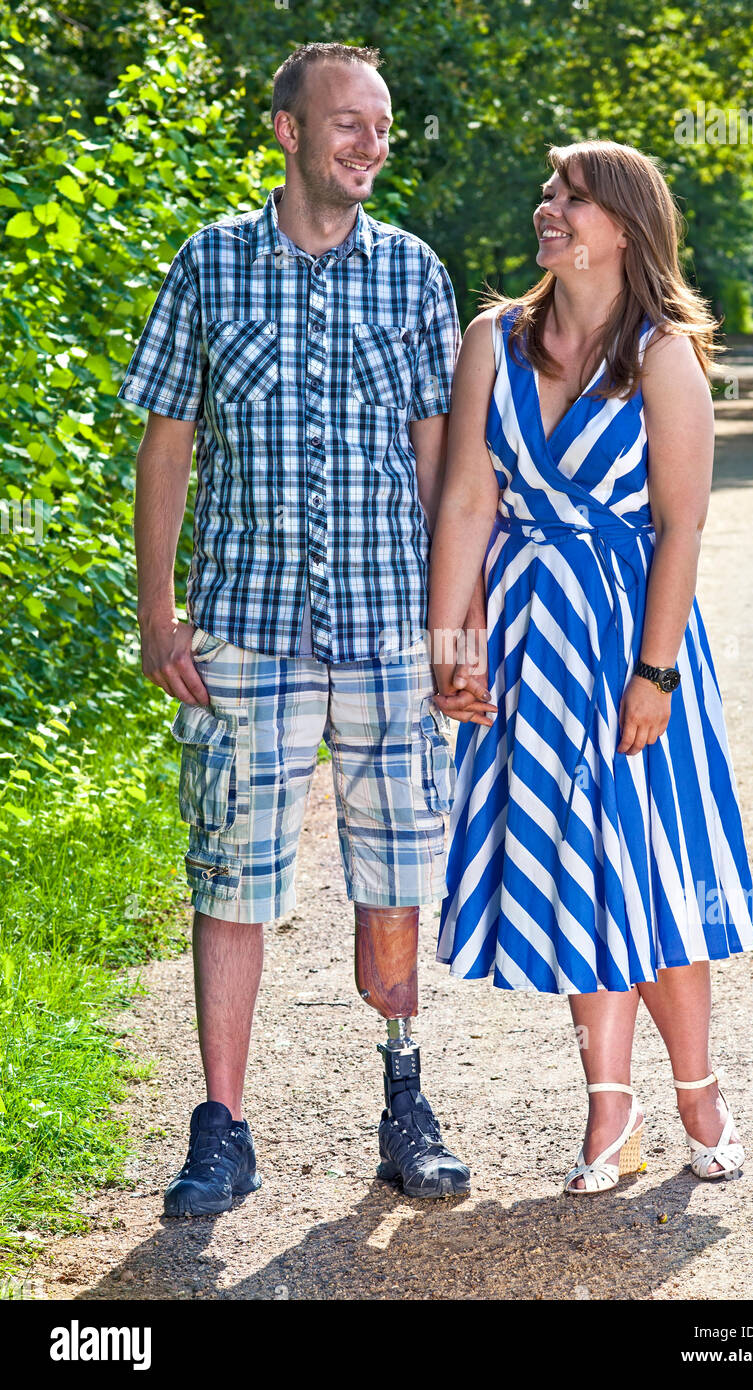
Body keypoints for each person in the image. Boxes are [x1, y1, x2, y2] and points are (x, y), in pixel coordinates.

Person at [117, 42, 493, 1214]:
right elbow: (166, 442)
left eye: (380, 127)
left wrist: (454, 627)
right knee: (230, 875)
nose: (369, 145)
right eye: (346, 124)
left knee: (392, 873)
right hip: (245, 627)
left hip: (387, 628)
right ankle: (221, 1128)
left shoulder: (414, 275)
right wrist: (157, 607)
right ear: (285, 130)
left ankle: (402, 1098)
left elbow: (447, 466)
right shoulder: (211, 265)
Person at [428, 140, 753, 1194]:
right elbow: (468, 501)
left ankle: (697, 1091)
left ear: (621, 226)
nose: (548, 209)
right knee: (580, 873)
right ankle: (604, 1113)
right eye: (546, 193)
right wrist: (451, 646)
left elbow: (680, 525)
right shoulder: (492, 338)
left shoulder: (663, 355)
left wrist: (653, 674)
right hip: (529, 633)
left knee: (650, 868)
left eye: (569, 197)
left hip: (626, 637)